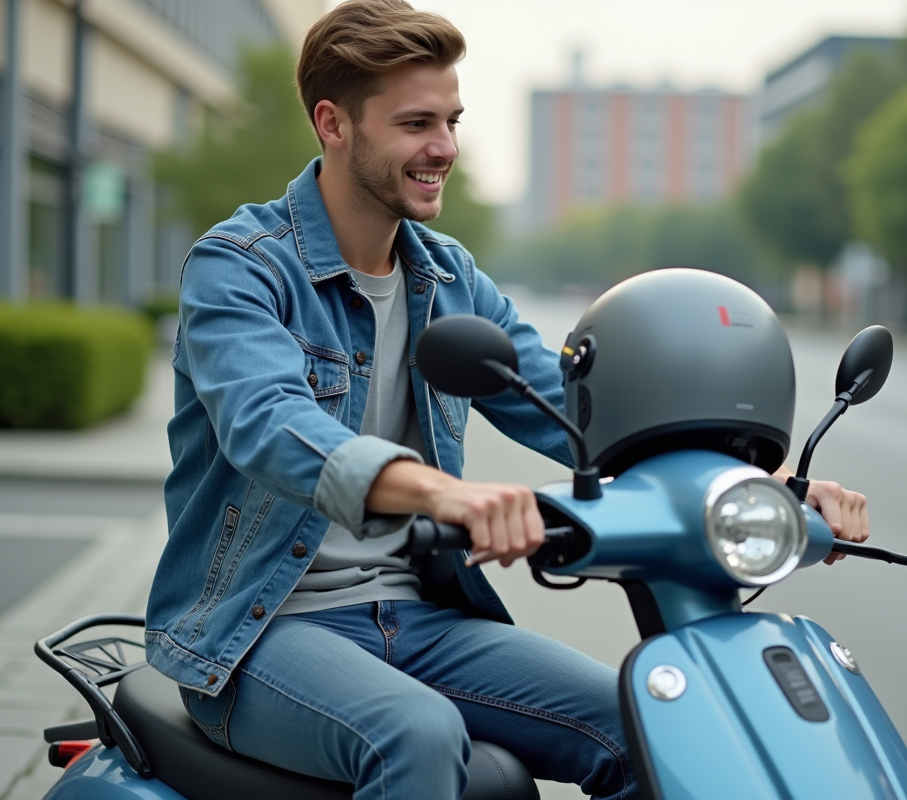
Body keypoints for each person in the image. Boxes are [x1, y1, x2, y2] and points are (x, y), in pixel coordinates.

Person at [144, 1, 870, 798]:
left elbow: (583, 413)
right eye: (417, 123)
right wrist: (447, 495)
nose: (444, 148)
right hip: (260, 631)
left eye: (452, 120)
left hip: (417, 617)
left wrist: (773, 497)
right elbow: (270, 426)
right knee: (415, 735)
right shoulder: (240, 268)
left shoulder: (452, 279)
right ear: (333, 123)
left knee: (654, 729)